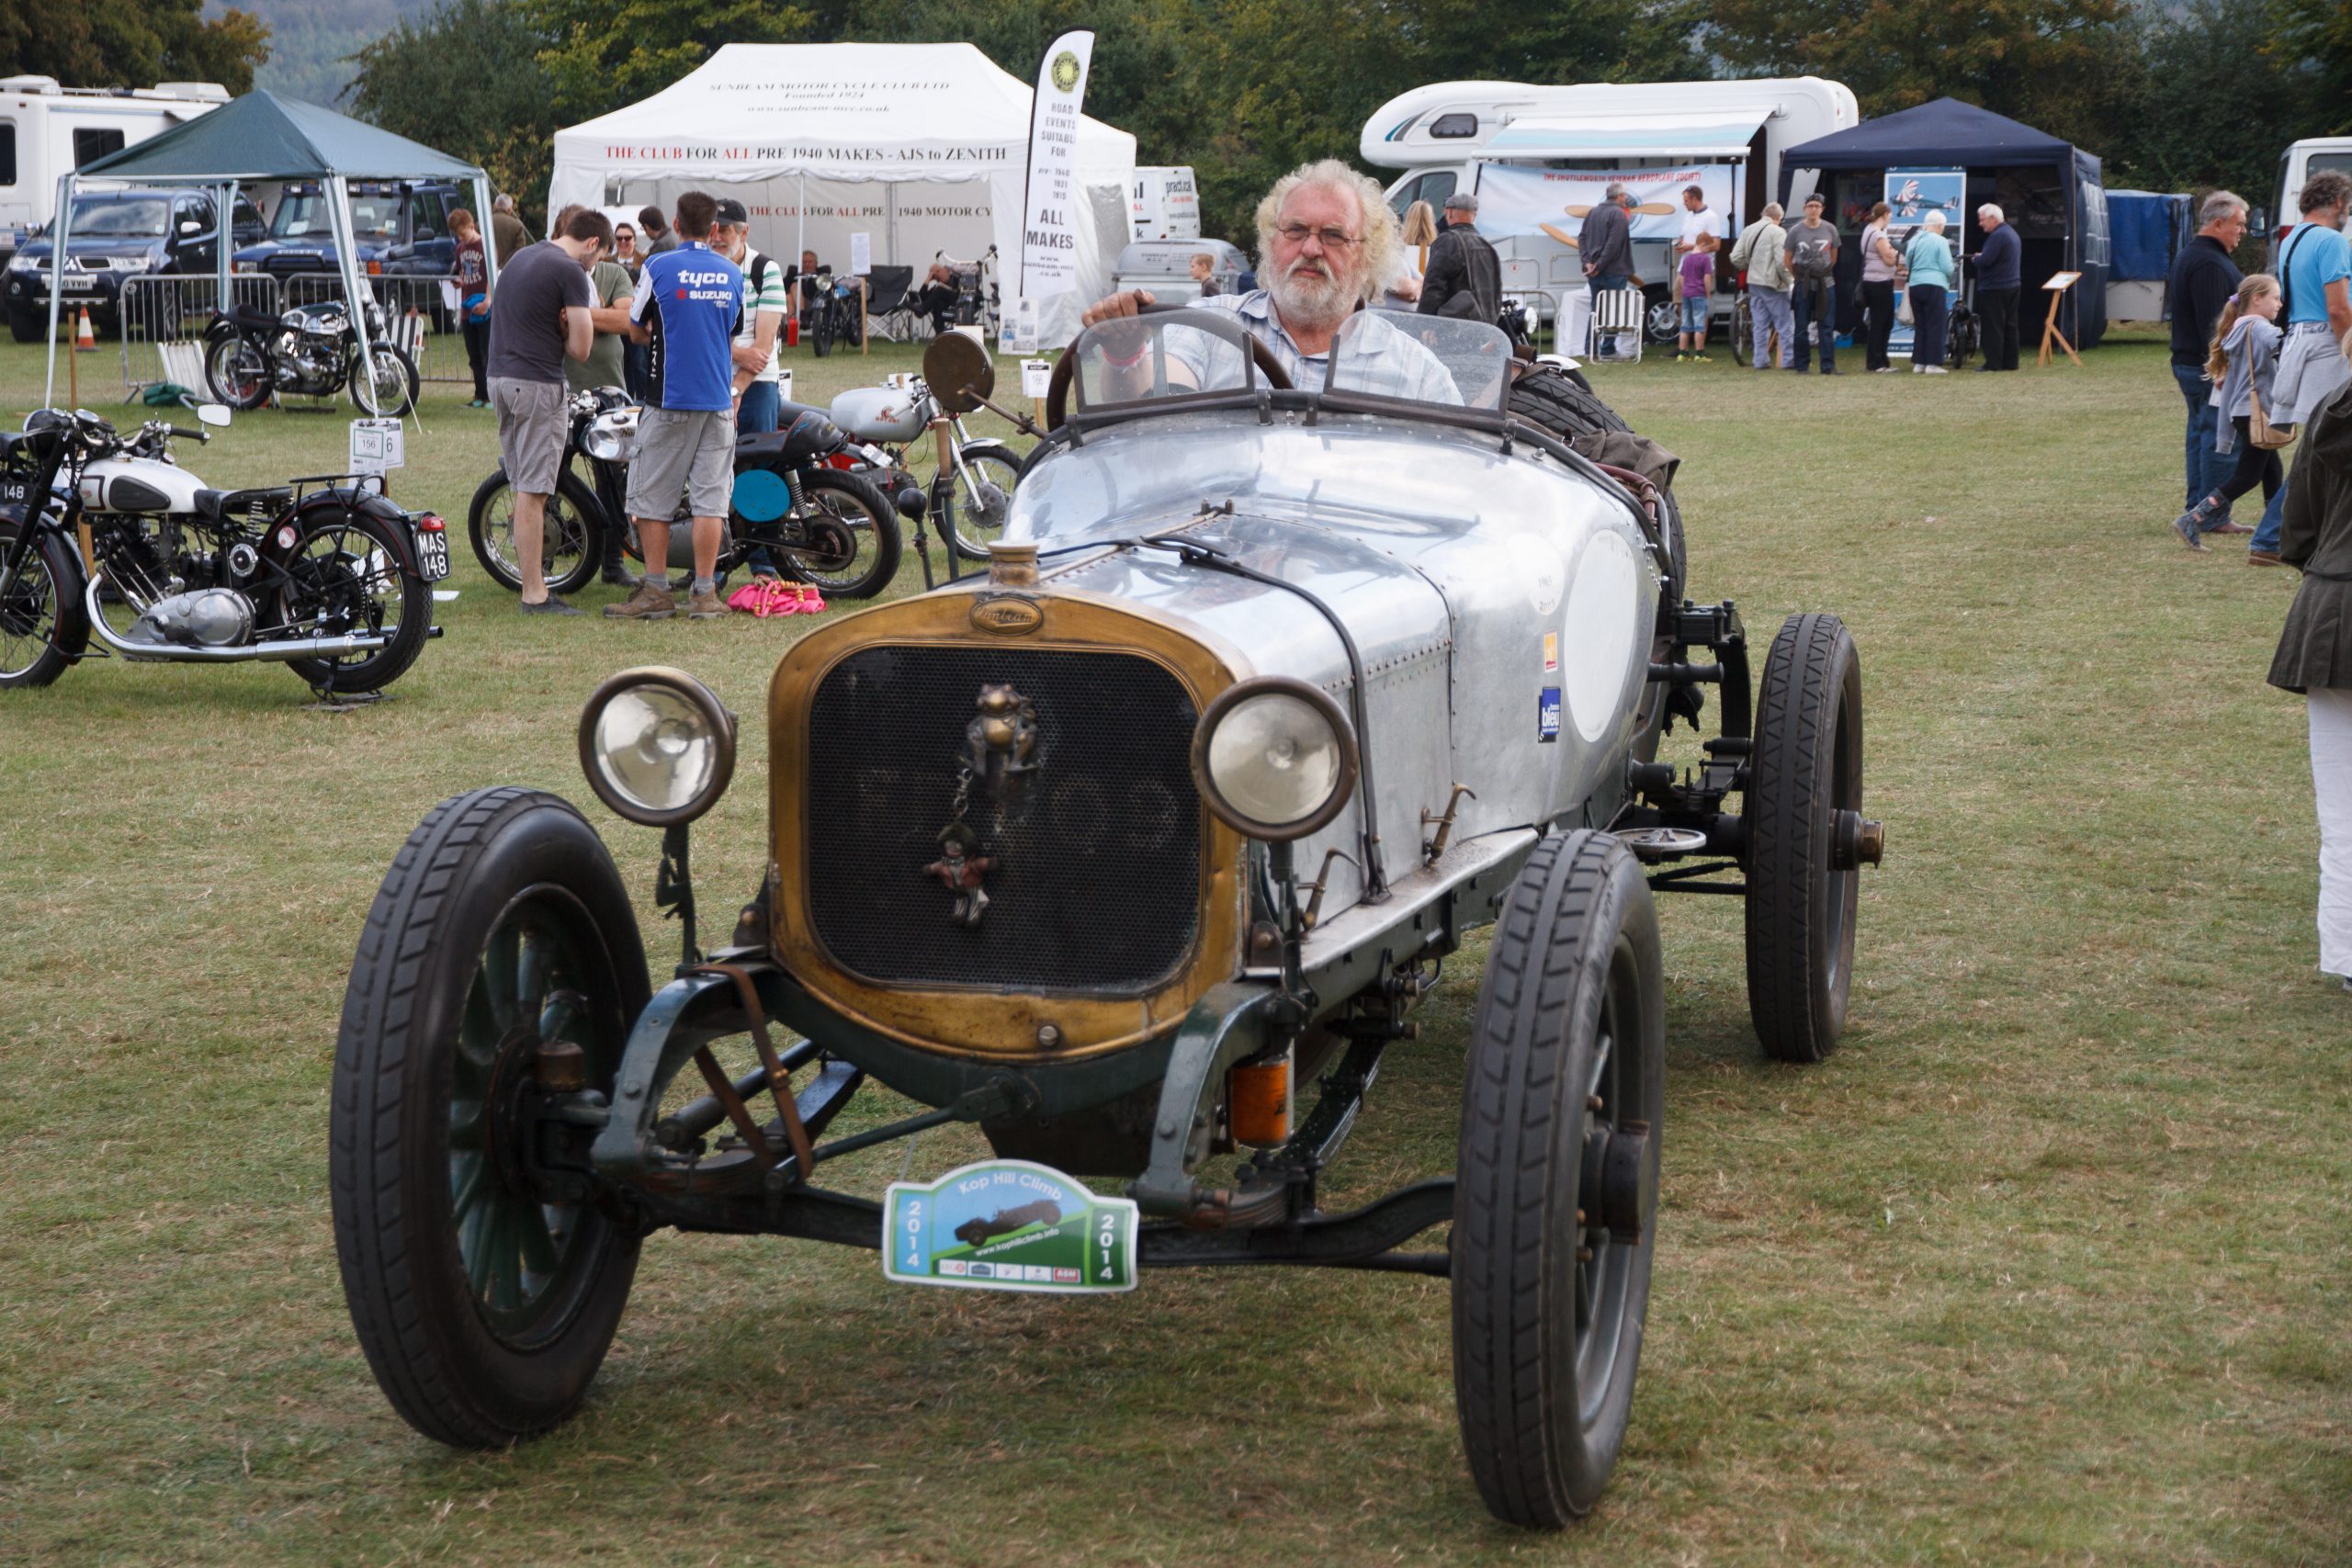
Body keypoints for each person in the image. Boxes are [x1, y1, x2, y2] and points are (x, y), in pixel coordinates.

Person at [1080, 158, 1457, 404]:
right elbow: (1149, 399)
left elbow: (1454, 478)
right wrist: (1125, 354)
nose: (1310, 248)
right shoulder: (1209, 326)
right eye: (1295, 230)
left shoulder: (1416, 372)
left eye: (1333, 235)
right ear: (1270, 240)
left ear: (1368, 255)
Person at [610, 192, 742, 624]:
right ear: (715, 230)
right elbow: (731, 328)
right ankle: (704, 593)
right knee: (710, 500)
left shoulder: (657, 266)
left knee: (652, 496)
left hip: (669, 397)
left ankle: (656, 589)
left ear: (676, 224)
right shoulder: (731, 271)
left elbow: (635, 328)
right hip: (719, 400)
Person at [2267, 355, 2352, 995]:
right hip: (2333, 614)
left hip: (2332, 615)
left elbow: (2297, 532)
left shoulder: (2333, 408)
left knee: (2342, 810)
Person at [484, 207, 610, 615]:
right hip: (538, 384)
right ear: (592, 243)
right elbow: (581, 348)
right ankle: (535, 594)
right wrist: (563, 328)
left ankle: (530, 585)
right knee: (536, 492)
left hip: (500, 380)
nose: (595, 266)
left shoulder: (521, 258)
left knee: (523, 486)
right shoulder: (571, 270)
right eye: (600, 256)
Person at [2265, 171, 2352, 564]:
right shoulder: (2332, 240)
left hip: (2303, 340)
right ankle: (2270, 536)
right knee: (2327, 446)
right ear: (2337, 202)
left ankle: (2280, 534)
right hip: (2328, 346)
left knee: (2319, 445)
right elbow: (2338, 308)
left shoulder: (2293, 239)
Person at [2171, 274, 2281, 547]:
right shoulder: (2258, 327)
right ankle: (2194, 518)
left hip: (2245, 410)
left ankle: (2276, 529)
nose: (2280, 304)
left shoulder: (2240, 327)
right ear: (2256, 299)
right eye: (2275, 298)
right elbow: (2281, 343)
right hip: (2255, 412)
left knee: (2271, 470)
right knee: (2248, 475)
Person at [2168, 191, 2250, 536]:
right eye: (2239, 224)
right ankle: (2210, 514)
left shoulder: (2196, 255)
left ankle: (2198, 508)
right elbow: (2215, 323)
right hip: (2207, 367)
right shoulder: (2209, 263)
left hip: (2192, 363)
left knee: (2201, 435)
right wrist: (2224, 368)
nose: (2243, 231)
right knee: (2221, 440)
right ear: (2218, 223)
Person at [713, 198, 788, 431]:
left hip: (757, 382)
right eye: (712, 230)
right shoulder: (704, 269)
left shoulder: (765, 269)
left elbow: (762, 348)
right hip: (713, 379)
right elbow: (694, 336)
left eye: (724, 231)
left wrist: (736, 390)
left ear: (743, 232)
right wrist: (737, 352)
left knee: (758, 462)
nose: (716, 238)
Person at [555, 204, 635, 399]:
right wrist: (607, 314)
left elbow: (627, 320)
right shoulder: (553, 272)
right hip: (564, 387)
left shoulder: (614, 273)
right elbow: (552, 324)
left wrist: (577, 315)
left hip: (610, 387)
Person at [1730, 201, 1794, 370]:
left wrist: (1750, 266)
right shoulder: (1778, 231)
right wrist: (1790, 281)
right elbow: (1781, 262)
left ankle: (1760, 361)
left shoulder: (1748, 229)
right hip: (1773, 284)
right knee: (1784, 324)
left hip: (1754, 282)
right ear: (1778, 217)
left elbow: (1735, 256)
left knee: (1760, 324)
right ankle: (1788, 360)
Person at [1418, 191, 1499, 321]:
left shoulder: (1447, 241)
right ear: (1474, 215)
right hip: (1485, 327)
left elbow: (1434, 287)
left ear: (1448, 213)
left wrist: (1426, 322)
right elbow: (1497, 292)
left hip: (1455, 327)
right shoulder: (1487, 247)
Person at [1785, 192, 1841, 374]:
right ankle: (1802, 366)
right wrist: (1800, 276)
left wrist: (1821, 272)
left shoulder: (1830, 229)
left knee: (1826, 325)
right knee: (1801, 326)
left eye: (1817, 206)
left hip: (1826, 282)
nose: (1814, 209)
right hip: (1804, 282)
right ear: (1805, 209)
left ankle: (1828, 365)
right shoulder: (1795, 231)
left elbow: (1833, 257)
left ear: (1822, 209)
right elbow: (1788, 259)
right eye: (1811, 206)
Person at [1581, 183, 1636, 358]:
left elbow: (1581, 238)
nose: (1626, 198)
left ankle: (1591, 348)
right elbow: (1613, 244)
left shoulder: (1593, 212)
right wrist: (1599, 265)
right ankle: (1607, 348)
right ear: (1618, 196)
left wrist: (1588, 262)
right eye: (1624, 195)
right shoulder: (1618, 214)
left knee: (1595, 310)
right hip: (1614, 269)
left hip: (1594, 271)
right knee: (1613, 310)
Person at [1903, 210, 1956, 374]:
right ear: (1939, 225)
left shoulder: (1914, 240)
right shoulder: (1940, 241)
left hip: (1916, 285)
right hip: (1934, 285)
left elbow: (1908, 262)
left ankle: (1919, 363)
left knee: (1921, 325)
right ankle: (1933, 364)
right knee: (1936, 324)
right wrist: (1951, 271)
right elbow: (1947, 267)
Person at [1972, 203, 2023, 371]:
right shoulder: (2011, 233)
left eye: (1983, 220)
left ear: (1993, 218)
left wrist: (1976, 259)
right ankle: (2010, 362)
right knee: (2010, 326)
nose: (1981, 224)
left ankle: (1993, 364)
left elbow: (1986, 260)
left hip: (1995, 288)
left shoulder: (1997, 236)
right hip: (2013, 285)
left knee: (1993, 326)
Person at [449, 206, 491, 407]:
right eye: (457, 235)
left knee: (487, 353)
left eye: (463, 234)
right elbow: (463, 273)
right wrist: (459, 282)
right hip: (467, 308)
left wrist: (487, 302)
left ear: (471, 226)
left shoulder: (486, 246)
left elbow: (493, 276)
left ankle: (491, 396)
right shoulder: (460, 249)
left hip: (485, 306)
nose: (460, 239)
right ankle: (479, 394)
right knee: (473, 355)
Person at [1858, 200, 1902, 373]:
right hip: (1880, 283)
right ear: (1884, 215)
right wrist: (1896, 253)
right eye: (1890, 215)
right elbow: (1889, 260)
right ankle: (1877, 363)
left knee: (1881, 322)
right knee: (1881, 323)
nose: (1890, 218)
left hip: (1871, 281)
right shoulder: (1879, 235)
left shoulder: (1868, 231)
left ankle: (1881, 360)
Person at [1676, 232, 1717, 363]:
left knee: (1685, 324)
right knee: (1699, 324)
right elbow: (1707, 278)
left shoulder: (1687, 259)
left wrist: (1685, 289)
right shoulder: (1705, 259)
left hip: (1686, 293)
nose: (1708, 250)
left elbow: (1682, 278)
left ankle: (1683, 353)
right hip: (1699, 293)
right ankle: (1699, 353)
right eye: (1708, 248)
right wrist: (1708, 292)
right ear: (1703, 244)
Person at [1674, 184, 1721, 259]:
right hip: (1685, 265)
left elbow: (1716, 245)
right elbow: (1682, 238)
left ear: (1694, 200)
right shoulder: (1687, 217)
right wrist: (1680, 246)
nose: (1684, 204)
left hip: (1701, 267)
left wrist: (1691, 247)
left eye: (1686, 201)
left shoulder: (1711, 217)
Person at [490, 193, 532, 268]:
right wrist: (502, 266)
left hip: (487, 272)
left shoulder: (481, 224)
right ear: (509, 209)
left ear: (494, 206)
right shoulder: (517, 225)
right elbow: (520, 251)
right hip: (509, 270)